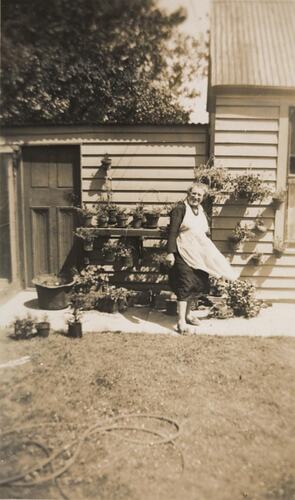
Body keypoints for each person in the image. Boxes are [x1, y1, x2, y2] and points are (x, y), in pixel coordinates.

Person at [166, 182, 239, 333]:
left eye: (199, 195)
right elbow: (172, 232)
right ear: (188, 193)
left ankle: (187, 315)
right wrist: (170, 252)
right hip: (182, 251)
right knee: (185, 284)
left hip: (198, 254)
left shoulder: (200, 210)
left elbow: (204, 233)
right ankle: (180, 322)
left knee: (197, 282)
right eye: (194, 193)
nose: (196, 197)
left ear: (203, 197)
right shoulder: (180, 209)